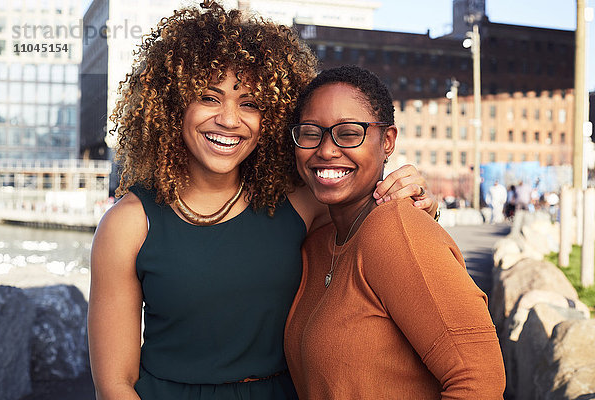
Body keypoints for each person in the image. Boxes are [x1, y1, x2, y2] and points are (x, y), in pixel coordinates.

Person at [87, 3, 438, 400]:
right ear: (172, 105)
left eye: (250, 103)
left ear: (270, 117)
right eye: (209, 97)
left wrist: (422, 200)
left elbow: (388, 226)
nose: (230, 119)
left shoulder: (302, 205)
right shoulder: (129, 224)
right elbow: (115, 383)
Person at [284, 66, 506, 399]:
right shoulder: (317, 243)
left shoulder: (396, 231)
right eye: (311, 132)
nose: (326, 150)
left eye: (347, 133)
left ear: (387, 140)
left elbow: (479, 378)